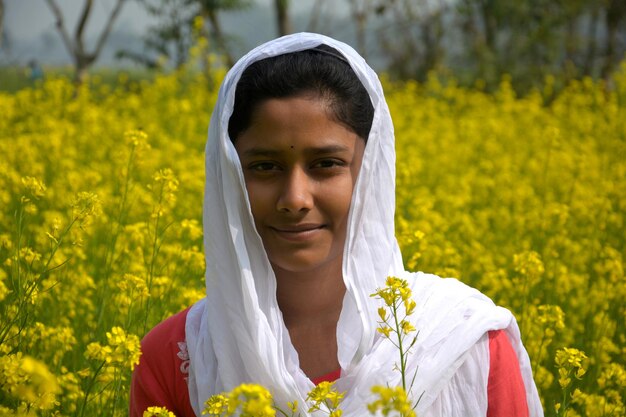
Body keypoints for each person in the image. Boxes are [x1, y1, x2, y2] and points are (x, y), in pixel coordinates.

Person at [130, 33, 543, 417]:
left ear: (369, 173)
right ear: (230, 178)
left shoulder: (467, 345)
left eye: (326, 165)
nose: (295, 198)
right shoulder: (177, 359)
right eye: (264, 167)